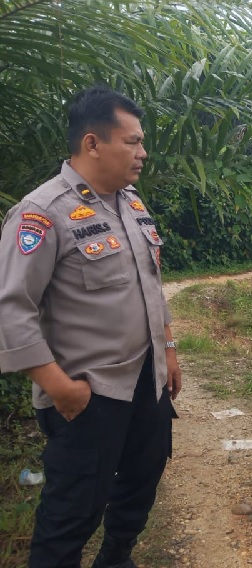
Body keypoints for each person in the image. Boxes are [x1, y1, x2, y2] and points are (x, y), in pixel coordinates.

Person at [0, 86, 180, 568]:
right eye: (133, 141)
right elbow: (11, 308)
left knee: (141, 483)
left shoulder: (132, 204)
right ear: (92, 143)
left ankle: (117, 557)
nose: (143, 153)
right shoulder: (42, 213)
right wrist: (59, 388)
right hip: (89, 394)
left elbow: (151, 284)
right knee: (71, 513)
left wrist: (169, 349)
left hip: (147, 380)